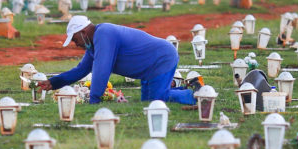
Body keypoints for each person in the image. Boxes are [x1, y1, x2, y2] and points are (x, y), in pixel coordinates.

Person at [38, 16, 196, 105]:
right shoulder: (94, 46)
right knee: (148, 101)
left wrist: (94, 100)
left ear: (84, 32)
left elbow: (102, 69)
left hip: (162, 57)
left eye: (75, 39)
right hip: (151, 68)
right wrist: (53, 83)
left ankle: (196, 95)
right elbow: (81, 70)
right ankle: (189, 89)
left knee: (158, 100)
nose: (76, 44)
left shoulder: (104, 33)